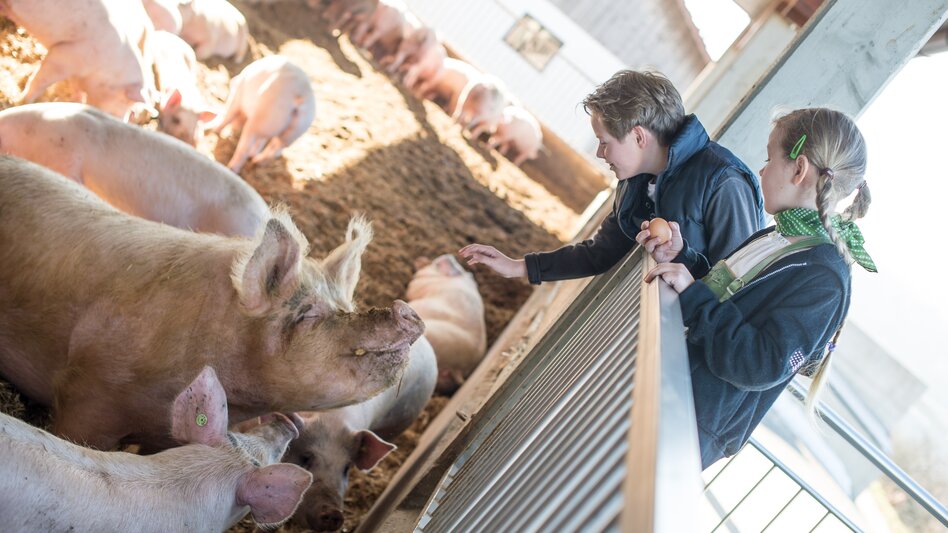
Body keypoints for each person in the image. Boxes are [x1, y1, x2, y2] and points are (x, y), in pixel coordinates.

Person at [638, 107, 876, 468]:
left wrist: (692, 296)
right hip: (669, 386)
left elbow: (760, 363)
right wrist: (683, 258)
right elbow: (727, 295)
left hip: (688, 421)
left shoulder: (825, 277)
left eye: (769, 158)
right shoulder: (782, 234)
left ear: (799, 169)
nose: (762, 170)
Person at [458, 69, 765, 283]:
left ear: (638, 137)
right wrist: (519, 266)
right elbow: (602, 251)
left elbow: (737, 281)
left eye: (604, 142)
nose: (599, 153)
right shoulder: (636, 180)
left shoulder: (723, 182)